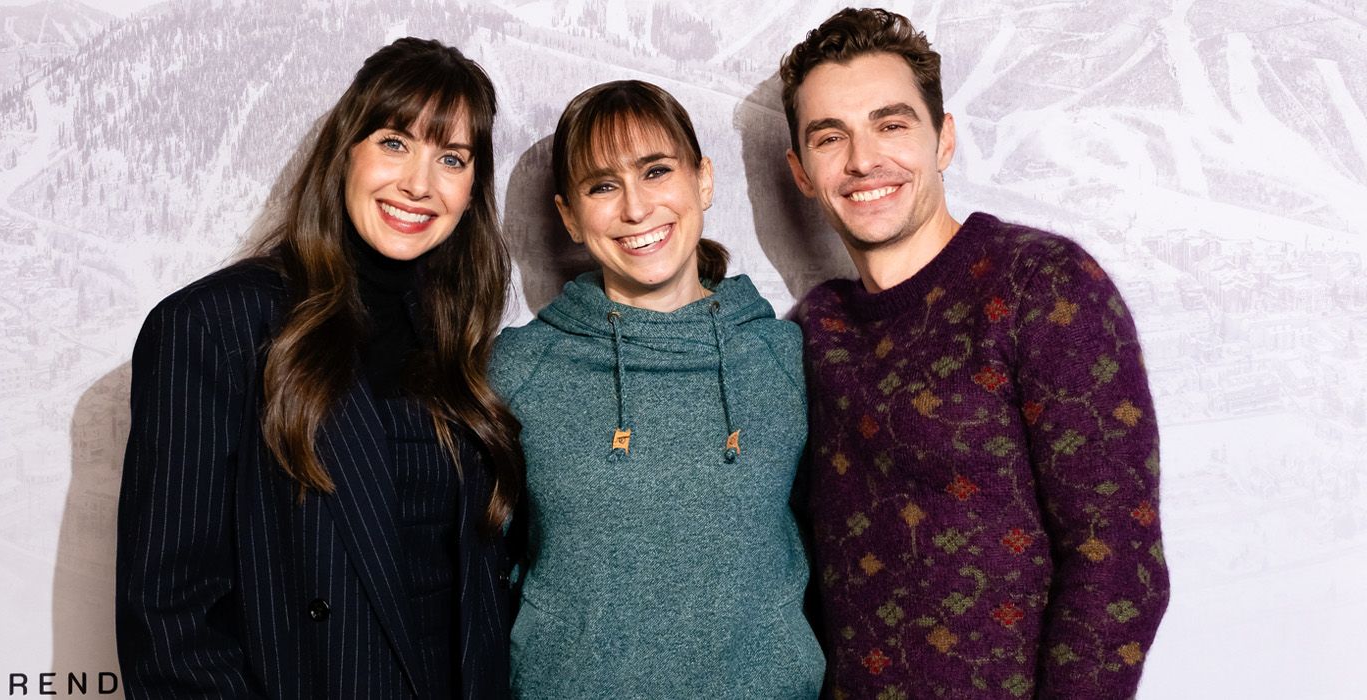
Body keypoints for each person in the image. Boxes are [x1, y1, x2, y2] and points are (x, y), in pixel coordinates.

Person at [778, 8, 1170, 698]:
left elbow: (1118, 562)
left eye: (891, 124)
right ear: (802, 172)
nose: (864, 159)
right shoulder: (815, 328)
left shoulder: (1043, 283)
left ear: (944, 140)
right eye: (830, 137)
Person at [115, 38, 522, 699]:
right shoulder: (217, 327)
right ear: (347, 153)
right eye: (395, 143)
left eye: (451, 158)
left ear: (472, 188)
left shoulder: (457, 342)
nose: (419, 183)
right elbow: (168, 617)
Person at [490, 80, 824, 698]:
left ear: (702, 180)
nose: (636, 209)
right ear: (568, 214)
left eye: (656, 171)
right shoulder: (520, 370)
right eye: (602, 185)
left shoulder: (785, 360)